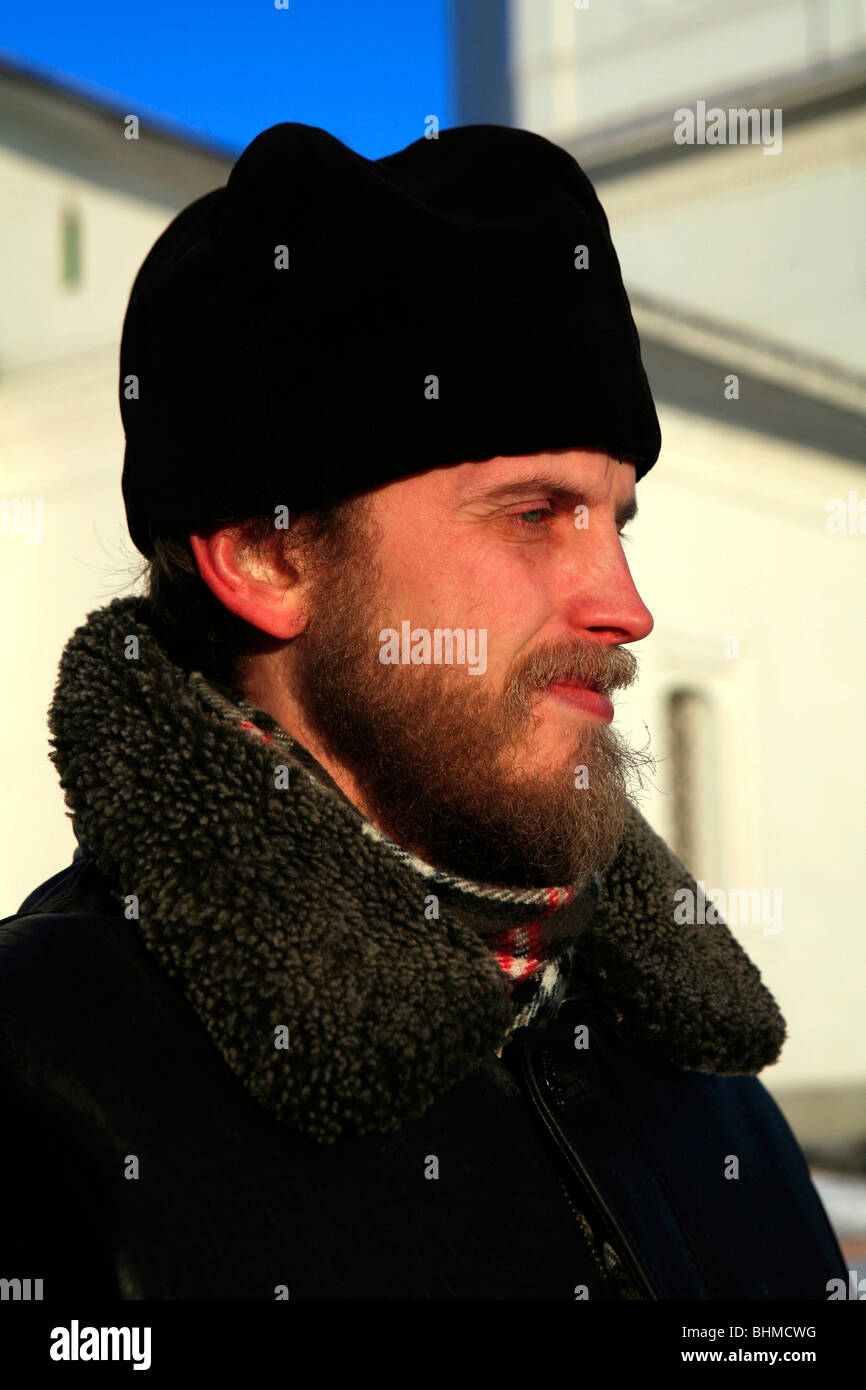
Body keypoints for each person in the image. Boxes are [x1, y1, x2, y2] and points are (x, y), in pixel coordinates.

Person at [0, 121, 845, 1300]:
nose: (626, 605)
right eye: (533, 512)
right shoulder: (43, 1100)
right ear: (265, 555)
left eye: (617, 519)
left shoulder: (692, 1071)